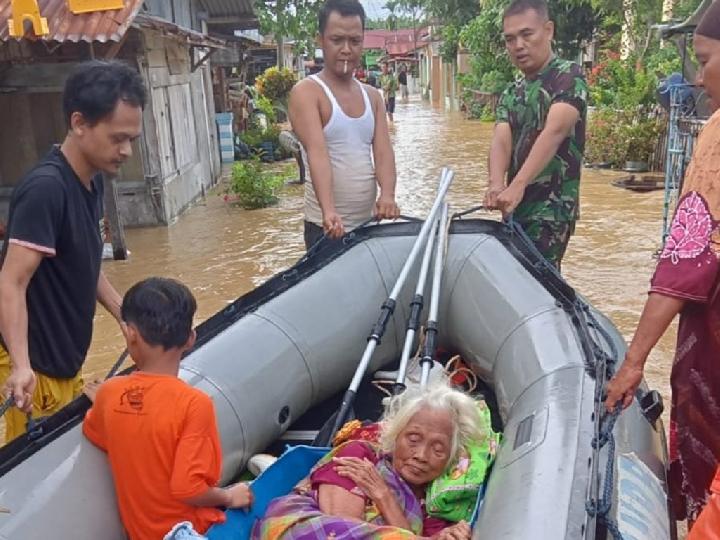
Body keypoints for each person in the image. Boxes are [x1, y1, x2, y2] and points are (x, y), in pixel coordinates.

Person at [605, 3, 720, 526]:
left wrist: (633, 362)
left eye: (705, 59)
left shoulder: (717, 135)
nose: (698, 76)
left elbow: (686, 260)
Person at [0, 60, 145, 443]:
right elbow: (11, 281)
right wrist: (20, 365)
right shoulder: (46, 189)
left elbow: (83, 264)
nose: (126, 151)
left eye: (132, 139)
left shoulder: (91, 181)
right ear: (79, 123)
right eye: (117, 138)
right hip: (36, 371)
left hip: (65, 363)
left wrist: (124, 316)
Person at [83, 278, 253, 540]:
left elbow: (101, 433)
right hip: (191, 531)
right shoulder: (194, 404)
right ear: (190, 339)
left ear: (131, 334)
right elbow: (189, 489)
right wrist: (229, 496)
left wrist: (108, 398)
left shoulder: (109, 393)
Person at [252, 382, 485, 539]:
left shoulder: (434, 507)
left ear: (450, 459)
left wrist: (383, 496)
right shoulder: (360, 456)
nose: (421, 456)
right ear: (396, 436)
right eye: (413, 439)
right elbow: (341, 528)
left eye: (438, 449)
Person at [484, 0, 587, 270]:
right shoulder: (511, 91)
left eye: (526, 34)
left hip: (552, 209)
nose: (518, 45)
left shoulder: (569, 77)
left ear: (548, 30)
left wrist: (517, 185)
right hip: (515, 208)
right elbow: (501, 139)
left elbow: (555, 131)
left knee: (539, 282)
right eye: (510, 39)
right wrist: (496, 185)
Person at [289, 0, 400, 250]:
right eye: (337, 40)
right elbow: (318, 154)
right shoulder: (307, 93)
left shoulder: (373, 96)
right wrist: (329, 211)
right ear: (320, 40)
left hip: (369, 225)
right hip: (326, 228)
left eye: (355, 41)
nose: (347, 49)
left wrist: (388, 195)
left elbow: (383, 153)